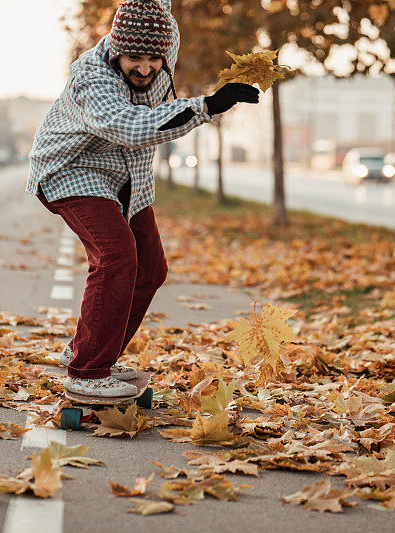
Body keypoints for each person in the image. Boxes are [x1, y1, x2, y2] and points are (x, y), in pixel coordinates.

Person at [27, 0, 259, 398]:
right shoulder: (92, 77)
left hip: (126, 177)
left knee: (151, 268)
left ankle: (91, 350)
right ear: (117, 48)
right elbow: (129, 126)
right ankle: (87, 372)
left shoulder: (165, 41)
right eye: (134, 58)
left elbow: (161, 8)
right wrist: (205, 106)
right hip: (71, 171)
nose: (146, 69)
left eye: (154, 59)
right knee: (117, 255)